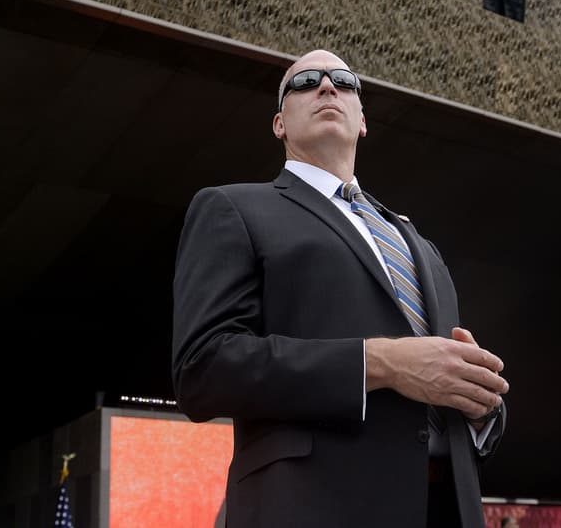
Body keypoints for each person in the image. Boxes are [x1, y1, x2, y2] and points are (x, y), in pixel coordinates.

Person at [172, 48, 509, 527]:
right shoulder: (233, 209)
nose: (328, 87)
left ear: (363, 121)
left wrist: (482, 409)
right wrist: (380, 363)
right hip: (313, 507)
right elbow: (202, 368)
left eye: (344, 82)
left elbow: (446, 386)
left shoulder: (422, 247)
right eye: (306, 80)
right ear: (279, 124)